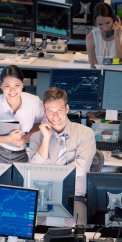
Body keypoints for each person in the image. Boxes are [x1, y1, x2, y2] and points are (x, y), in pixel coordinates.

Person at [28, 87, 96, 225]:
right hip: (44, 198)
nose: (55, 116)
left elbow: (80, 169)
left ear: (67, 108)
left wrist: (49, 176)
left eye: (59, 110)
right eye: (50, 111)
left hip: (74, 199)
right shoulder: (37, 137)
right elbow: (34, 171)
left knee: (75, 230)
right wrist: (46, 139)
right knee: (31, 227)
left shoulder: (85, 133)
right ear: (44, 112)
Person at [0, 65, 44, 163]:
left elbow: (41, 123)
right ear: (1, 85)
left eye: (17, 85)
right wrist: (9, 138)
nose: (12, 91)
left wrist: (25, 138)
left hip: (22, 152)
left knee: (23, 177)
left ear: (22, 83)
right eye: (7, 86)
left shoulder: (34, 102)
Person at [86, 3, 122, 68]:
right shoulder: (91, 37)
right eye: (100, 24)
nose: (105, 28)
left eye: (108, 23)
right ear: (95, 23)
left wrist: (116, 37)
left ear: (114, 20)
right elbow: (92, 68)